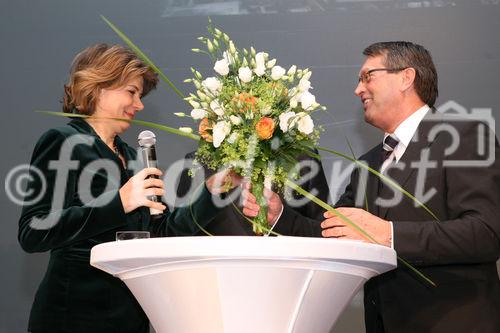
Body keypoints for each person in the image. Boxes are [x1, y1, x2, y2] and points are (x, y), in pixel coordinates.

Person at [244, 41, 500, 332]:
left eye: (368, 76)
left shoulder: (463, 136)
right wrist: (279, 216)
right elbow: (332, 232)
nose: (358, 89)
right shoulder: (367, 163)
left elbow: (486, 233)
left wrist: (387, 234)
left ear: (406, 77)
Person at [18, 44, 240, 333]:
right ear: (99, 88)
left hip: (129, 317)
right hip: (73, 315)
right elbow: (34, 231)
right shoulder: (63, 142)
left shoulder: (136, 159)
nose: (139, 104)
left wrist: (211, 193)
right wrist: (119, 202)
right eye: (132, 92)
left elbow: (161, 233)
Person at [176, 151, 329, 236]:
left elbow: (325, 231)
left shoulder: (303, 158)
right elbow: (178, 234)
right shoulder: (199, 162)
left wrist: (281, 218)